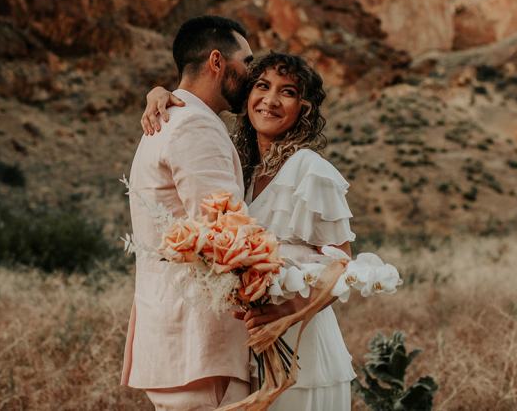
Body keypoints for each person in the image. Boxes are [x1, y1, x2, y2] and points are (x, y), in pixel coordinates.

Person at [142, 52, 356, 411]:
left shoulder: (310, 170)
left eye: (287, 92)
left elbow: (343, 264)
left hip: (303, 351)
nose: (270, 100)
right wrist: (160, 92)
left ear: (303, 108)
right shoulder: (240, 168)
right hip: (251, 353)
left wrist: (288, 311)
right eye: (262, 86)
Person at [121, 15, 256, 411]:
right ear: (217, 61)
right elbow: (227, 234)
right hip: (199, 344)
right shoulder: (194, 126)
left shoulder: (172, 119)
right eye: (246, 62)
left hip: (178, 342)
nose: (251, 72)